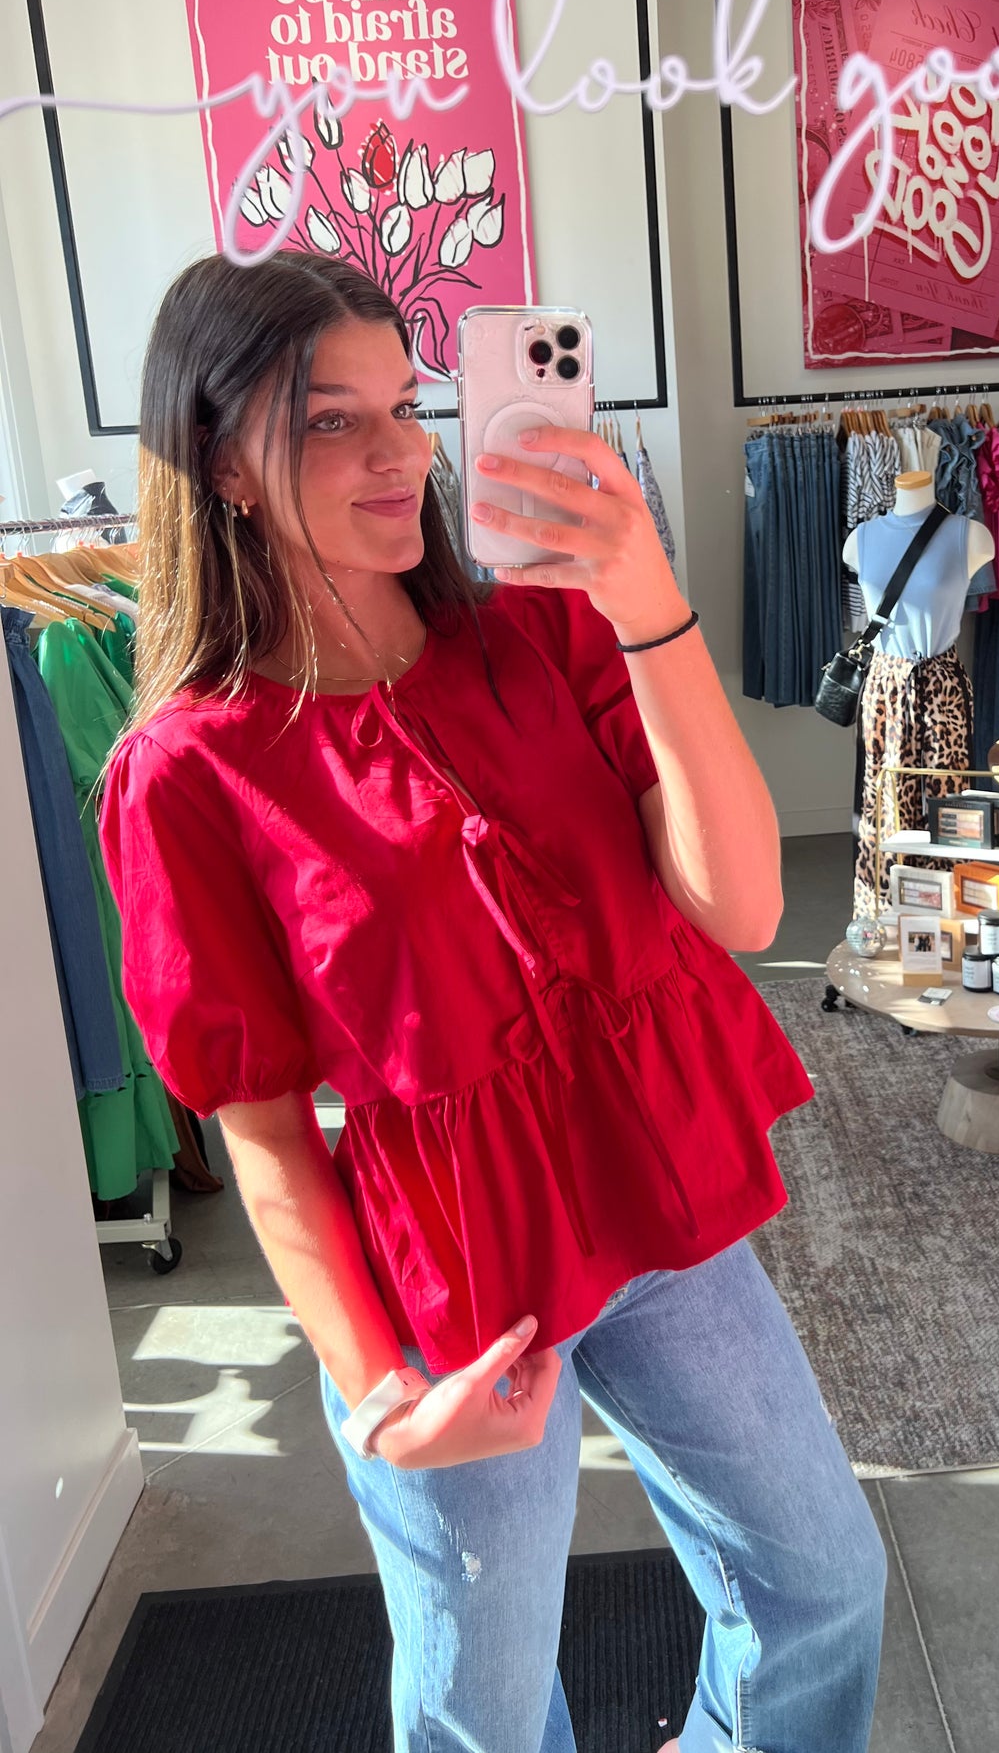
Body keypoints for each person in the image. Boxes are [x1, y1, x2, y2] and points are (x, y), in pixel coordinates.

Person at [98, 251, 887, 1753]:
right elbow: (264, 1131)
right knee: (485, 1718)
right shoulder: (188, 772)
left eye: (408, 405)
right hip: (450, 1286)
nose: (402, 454)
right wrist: (383, 1396)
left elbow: (742, 909)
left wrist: (648, 602)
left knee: (822, 1589)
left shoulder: (541, 628)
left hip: (654, 1199)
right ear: (224, 466)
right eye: (332, 422)